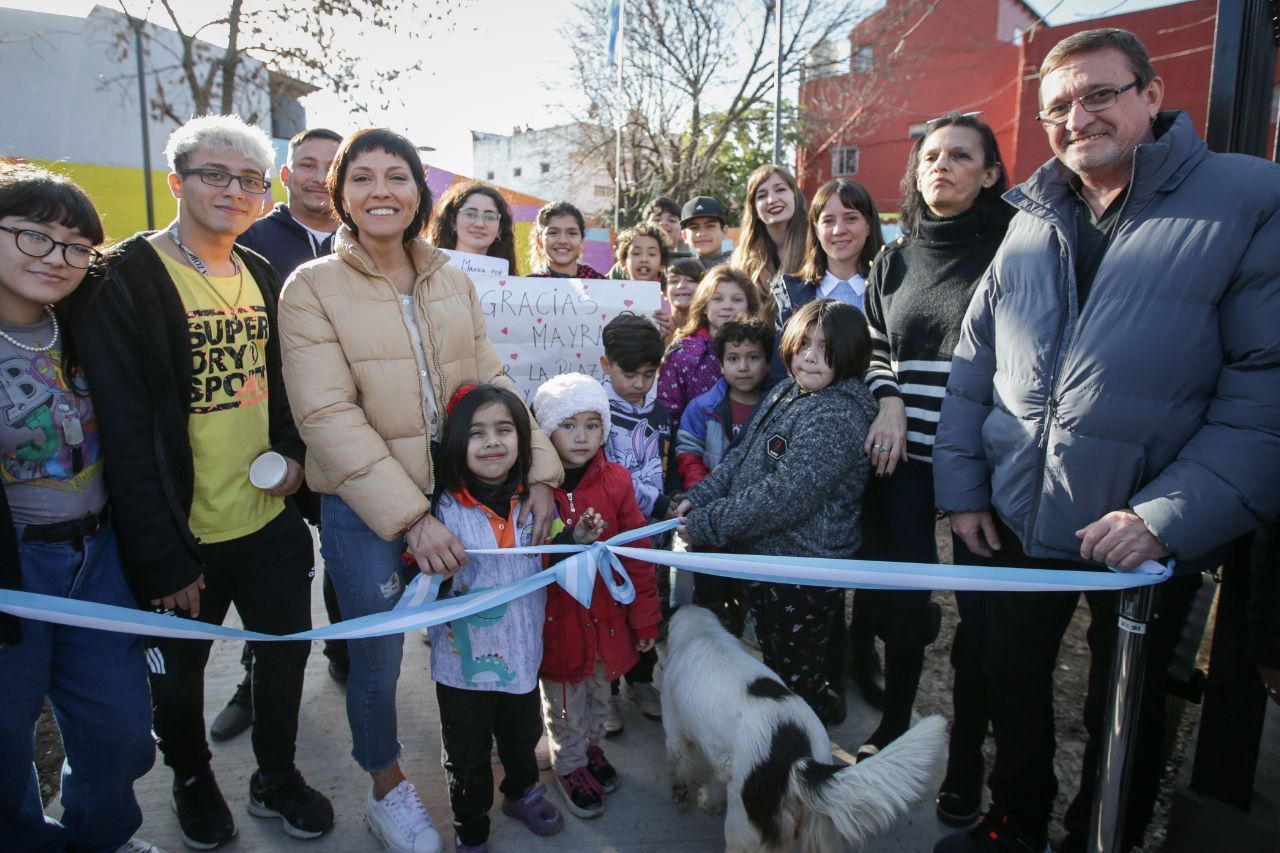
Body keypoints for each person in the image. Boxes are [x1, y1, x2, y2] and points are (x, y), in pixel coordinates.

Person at [932, 28, 1280, 853]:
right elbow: (974, 363)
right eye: (1057, 106)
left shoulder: (1248, 198)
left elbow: (1266, 388)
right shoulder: (1030, 218)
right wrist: (965, 489)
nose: (1076, 116)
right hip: (1017, 522)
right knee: (1011, 682)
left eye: (1098, 94)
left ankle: (1103, 833)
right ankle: (1013, 819)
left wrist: (1166, 514)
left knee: (1123, 702)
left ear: (1151, 95)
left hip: (1144, 532)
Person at [278, 127, 563, 853]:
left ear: (418, 191)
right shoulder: (310, 288)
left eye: (397, 176)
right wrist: (410, 518)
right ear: (339, 192)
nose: (382, 191)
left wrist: (538, 469)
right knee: (376, 659)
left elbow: (492, 377)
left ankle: (500, 763)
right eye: (363, 177)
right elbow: (325, 415)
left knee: (487, 631)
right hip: (371, 511)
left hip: (463, 499)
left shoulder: (450, 276)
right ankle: (387, 787)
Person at [67, 115, 333, 848]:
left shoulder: (260, 271)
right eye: (215, 174)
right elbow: (122, 430)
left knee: (284, 655)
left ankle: (275, 775)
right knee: (176, 679)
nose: (234, 190)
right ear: (176, 182)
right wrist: (160, 554)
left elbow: (283, 388)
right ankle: (191, 777)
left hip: (268, 521)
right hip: (183, 536)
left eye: (249, 179)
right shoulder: (124, 278)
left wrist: (292, 455)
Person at [855, 113, 1015, 814]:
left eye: (959, 156)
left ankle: (967, 759)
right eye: (930, 157)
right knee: (902, 601)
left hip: (985, 467)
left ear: (989, 172)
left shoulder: (1019, 248)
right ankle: (894, 721)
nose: (940, 166)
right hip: (904, 461)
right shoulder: (894, 258)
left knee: (983, 621)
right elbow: (873, 345)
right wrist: (888, 399)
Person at [0, 164, 159, 853]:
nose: (56, 258)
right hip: (16, 567)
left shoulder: (91, 324)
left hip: (98, 560)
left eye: (75, 245)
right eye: (34, 237)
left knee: (121, 733)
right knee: (4, 739)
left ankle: (101, 837)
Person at [676, 300, 878, 723]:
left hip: (803, 569)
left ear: (851, 353)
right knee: (773, 654)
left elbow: (787, 495)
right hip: (769, 557)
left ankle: (806, 741)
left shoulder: (837, 413)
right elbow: (739, 458)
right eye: (803, 343)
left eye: (825, 348)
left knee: (797, 673)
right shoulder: (789, 390)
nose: (809, 355)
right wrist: (704, 495)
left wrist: (710, 522)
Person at [210, 126, 344, 745]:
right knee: (266, 572)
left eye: (331, 164)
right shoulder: (248, 243)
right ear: (286, 176)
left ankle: (346, 649)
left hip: (347, 436)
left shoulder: (370, 240)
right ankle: (252, 680)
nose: (319, 175)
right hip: (271, 440)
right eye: (307, 164)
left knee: (347, 552)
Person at [427, 384, 567, 852]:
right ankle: (471, 829)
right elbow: (421, 582)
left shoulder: (536, 501)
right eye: (476, 433)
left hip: (523, 657)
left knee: (523, 734)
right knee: (466, 754)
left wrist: (584, 537)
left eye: (504, 429)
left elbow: (562, 552)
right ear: (453, 445)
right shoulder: (439, 511)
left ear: (522, 440)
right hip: (462, 668)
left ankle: (522, 792)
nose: (492, 442)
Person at [530, 373, 661, 820]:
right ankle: (569, 766)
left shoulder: (618, 482)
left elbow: (638, 553)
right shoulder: (534, 493)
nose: (582, 436)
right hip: (559, 627)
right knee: (566, 705)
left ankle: (591, 752)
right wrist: (571, 539)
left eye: (592, 424)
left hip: (606, 621)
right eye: (568, 425)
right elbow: (531, 562)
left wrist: (645, 620)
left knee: (601, 699)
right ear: (545, 430)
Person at [673, 318, 773, 636]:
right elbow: (687, 453)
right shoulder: (702, 407)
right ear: (721, 363)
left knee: (750, 587)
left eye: (753, 357)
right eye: (733, 358)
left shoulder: (778, 407)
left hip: (756, 521)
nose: (743, 367)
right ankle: (715, 622)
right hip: (711, 519)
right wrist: (702, 490)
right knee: (711, 588)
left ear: (768, 361)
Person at [598, 312, 672, 728]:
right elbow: (614, 476)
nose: (639, 384)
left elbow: (661, 460)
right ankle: (605, 692)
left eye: (649, 374)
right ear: (606, 365)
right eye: (629, 374)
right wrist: (659, 503)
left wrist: (669, 500)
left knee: (647, 606)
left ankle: (641, 679)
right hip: (609, 537)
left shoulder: (659, 411)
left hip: (650, 539)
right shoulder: (597, 416)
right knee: (608, 610)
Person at [657, 265, 761, 430]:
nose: (727, 306)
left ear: (749, 306)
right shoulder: (683, 355)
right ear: (704, 306)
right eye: (717, 299)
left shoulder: (763, 351)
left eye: (737, 299)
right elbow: (667, 416)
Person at [729, 165, 807, 311]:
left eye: (780, 190)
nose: (772, 199)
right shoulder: (743, 260)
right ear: (755, 210)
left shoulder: (816, 248)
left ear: (795, 196)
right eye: (762, 195)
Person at [427, 180, 519, 273]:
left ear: (499, 229)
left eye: (490, 217)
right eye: (470, 214)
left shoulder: (512, 283)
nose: (479, 224)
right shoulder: (426, 270)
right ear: (453, 222)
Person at [606, 196, 692, 278]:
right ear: (644, 226)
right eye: (657, 220)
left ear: (682, 230)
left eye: (672, 220)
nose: (663, 223)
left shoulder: (690, 266)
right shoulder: (625, 266)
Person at [527, 201, 604, 279]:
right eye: (553, 233)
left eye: (572, 233)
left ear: (581, 241)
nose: (563, 241)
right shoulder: (528, 286)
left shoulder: (601, 284)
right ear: (539, 241)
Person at [679, 195, 732, 268]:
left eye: (710, 226)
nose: (701, 233)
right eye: (694, 227)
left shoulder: (740, 265)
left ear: (724, 231)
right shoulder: (680, 272)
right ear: (684, 236)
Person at [660, 257, 703, 344]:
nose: (681, 286)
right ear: (664, 291)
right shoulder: (657, 328)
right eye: (674, 281)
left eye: (690, 280)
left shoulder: (712, 329)